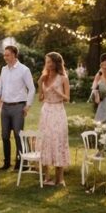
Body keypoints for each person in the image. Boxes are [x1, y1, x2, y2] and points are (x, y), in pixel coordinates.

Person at [0, 44, 35, 171]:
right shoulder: (4, 69)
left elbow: (32, 89)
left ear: (14, 55)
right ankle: (6, 164)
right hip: (5, 107)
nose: (5, 57)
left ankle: (21, 163)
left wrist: (28, 106)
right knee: (5, 136)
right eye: (4, 55)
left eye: (8, 55)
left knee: (18, 135)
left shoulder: (24, 70)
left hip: (18, 107)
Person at [37, 51, 71, 186]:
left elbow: (67, 98)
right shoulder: (44, 77)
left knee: (58, 140)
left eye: (50, 62)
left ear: (56, 63)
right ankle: (46, 177)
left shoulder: (63, 78)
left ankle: (59, 178)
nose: (48, 64)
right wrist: (40, 83)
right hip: (46, 111)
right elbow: (40, 98)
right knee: (45, 141)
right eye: (47, 62)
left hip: (58, 110)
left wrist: (58, 92)